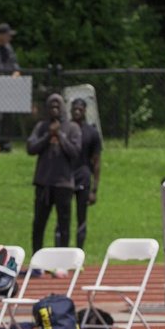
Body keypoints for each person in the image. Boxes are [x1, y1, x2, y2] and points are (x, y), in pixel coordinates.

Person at [27, 92, 81, 256]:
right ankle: (37, 257)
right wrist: (48, 136)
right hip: (44, 183)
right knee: (39, 223)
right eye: (51, 106)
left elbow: (75, 152)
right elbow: (31, 148)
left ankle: (62, 258)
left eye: (57, 106)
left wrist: (60, 135)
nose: (54, 109)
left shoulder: (72, 128)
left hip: (63, 183)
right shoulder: (41, 127)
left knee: (63, 223)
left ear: (63, 107)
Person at [64, 97, 102, 249]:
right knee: (63, 218)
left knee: (81, 218)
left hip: (83, 177)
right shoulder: (64, 129)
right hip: (65, 178)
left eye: (80, 109)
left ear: (85, 110)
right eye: (75, 109)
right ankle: (61, 252)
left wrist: (94, 189)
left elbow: (96, 161)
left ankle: (79, 252)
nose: (77, 111)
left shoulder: (91, 132)